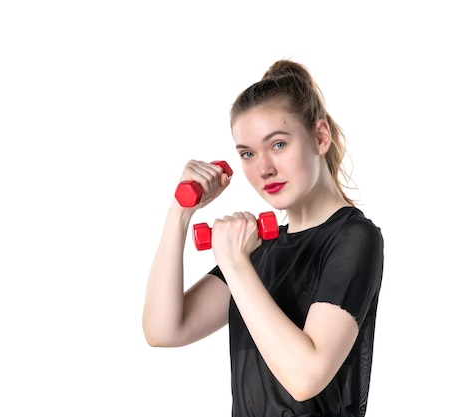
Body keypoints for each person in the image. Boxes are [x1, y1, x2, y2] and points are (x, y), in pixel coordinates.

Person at [142, 59, 384, 417]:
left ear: (320, 137)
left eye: (279, 145)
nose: (264, 168)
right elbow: (164, 330)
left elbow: (305, 378)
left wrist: (237, 263)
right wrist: (179, 214)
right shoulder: (259, 247)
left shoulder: (353, 237)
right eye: (247, 154)